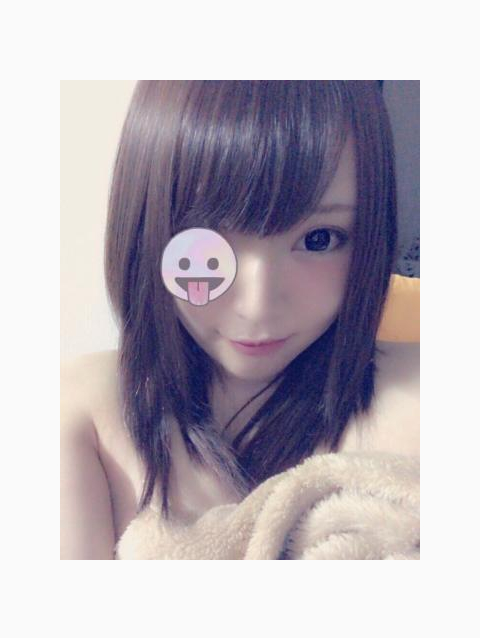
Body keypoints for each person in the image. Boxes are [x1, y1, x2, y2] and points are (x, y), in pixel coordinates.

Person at [60, 81, 419, 560]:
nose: (258, 305)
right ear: (146, 231)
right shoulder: (83, 414)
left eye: (319, 239)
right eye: (204, 240)